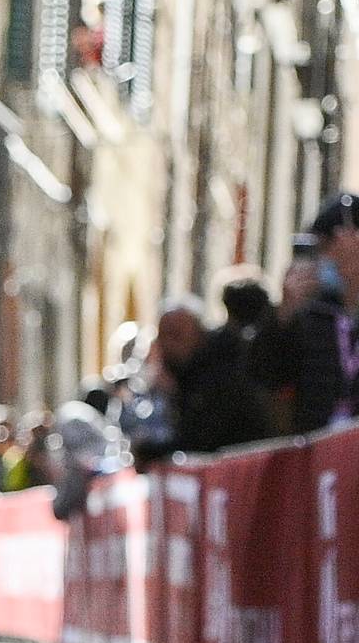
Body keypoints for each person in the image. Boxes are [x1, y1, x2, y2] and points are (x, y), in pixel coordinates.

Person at [251, 196, 359, 434]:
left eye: (331, 246)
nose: (326, 259)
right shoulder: (308, 316)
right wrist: (283, 314)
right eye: (317, 251)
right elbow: (263, 376)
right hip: (313, 448)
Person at [133, 296, 271, 461]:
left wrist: (149, 452)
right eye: (163, 336)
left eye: (176, 335)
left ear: (198, 333)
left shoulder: (221, 374)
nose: (168, 344)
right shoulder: (187, 374)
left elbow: (203, 440)